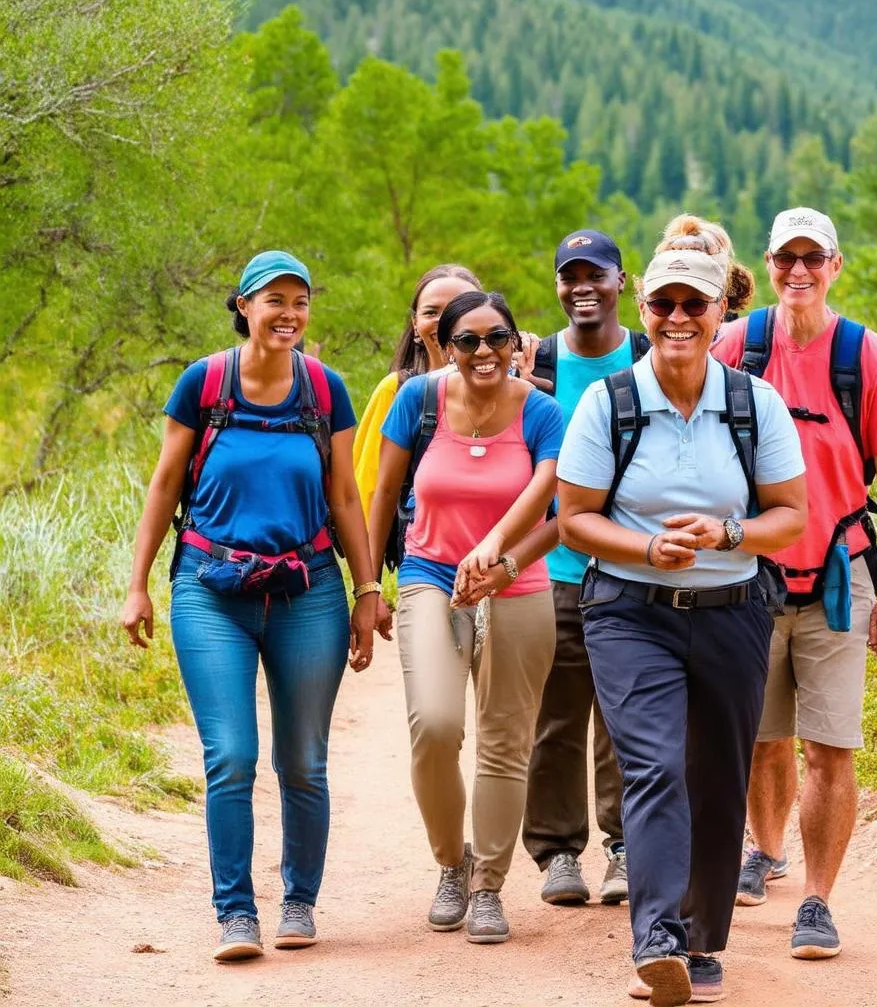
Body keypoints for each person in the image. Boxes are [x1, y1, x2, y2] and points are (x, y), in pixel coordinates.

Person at [557, 239, 806, 1005]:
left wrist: (730, 534)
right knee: (656, 767)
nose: (676, 318)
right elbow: (573, 521)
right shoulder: (610, 404)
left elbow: (791, 517)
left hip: (734, 611)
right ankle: (657, 938)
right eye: (663, 304)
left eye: (693, 304)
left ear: (720, 310)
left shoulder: (752, 402)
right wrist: (647, 546)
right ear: (644, 309)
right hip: (629, 613)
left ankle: (701, 944)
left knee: (718, 775)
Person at [121, 251, 384, 962]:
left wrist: (366, 592)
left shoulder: (325, 391)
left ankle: (299, 901)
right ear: (243, 305)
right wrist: (138, 583)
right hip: (210, 589)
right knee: (231, 756)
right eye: (274, 300)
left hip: (309, 593)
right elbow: (164, 483)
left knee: (303, 761)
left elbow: (346, 498)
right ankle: (235, 913)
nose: (289, 314)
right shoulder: (204, 383)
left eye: (300, 301)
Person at [712, 207, 877, 959]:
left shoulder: (869, 358)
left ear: (836, 265)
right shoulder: (738, 346)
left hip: (841, 575)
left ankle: (816, 900)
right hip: (748, 577)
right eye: (785, 259)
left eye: (813, 257)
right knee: (759, 739)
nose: (798, 271)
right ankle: (764, 852)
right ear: (768, 266)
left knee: (830, 747)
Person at [368, 290, 564, 944]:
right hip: (431, 578)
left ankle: (488, 888)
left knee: (506, 743)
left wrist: (498, 551)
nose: (485, 353)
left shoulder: (542, 412)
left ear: (517, 342)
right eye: (469, 341)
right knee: (435, 723)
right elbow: (380, 493)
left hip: (517, 584)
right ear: (447, 346)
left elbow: (552, 494)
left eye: (498, 338)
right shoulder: (418, 401)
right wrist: (368, 583)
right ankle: (452, 864)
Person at [517, 229, 648, 908]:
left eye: (596, 274)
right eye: (571, 275)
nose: (582, 287)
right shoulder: (534, 361)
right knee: (556, 717)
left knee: (627, 716)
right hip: (556, 568)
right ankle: (557, 852)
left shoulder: (649, 355)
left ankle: (625, 846)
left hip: (637, 569)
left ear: (622, 282)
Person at [353, 265, 482, 523]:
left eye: (460, 309)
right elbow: (367, 491)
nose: (445, 322)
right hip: (420, 557)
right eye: (432, 312)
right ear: (415, 324)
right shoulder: (396, 390)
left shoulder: (515, 391)